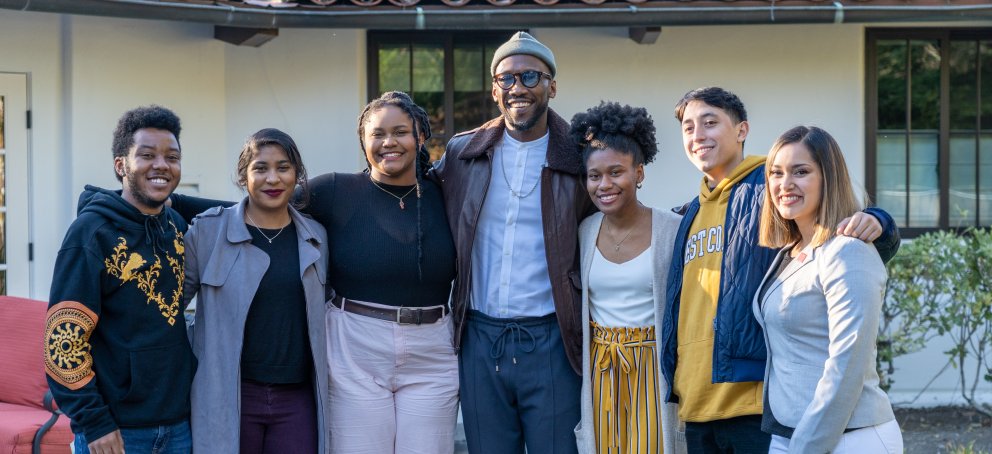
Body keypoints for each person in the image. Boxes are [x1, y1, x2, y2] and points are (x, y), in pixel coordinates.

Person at [170, 91, 458, 453]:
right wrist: (159, 201)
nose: (389, 142)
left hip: (431, 347)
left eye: (400, 132)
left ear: (420, 136)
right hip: (357, 349)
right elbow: (264, 203)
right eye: (377, 134)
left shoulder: (447, 192)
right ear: (363, 143)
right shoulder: (338, 190)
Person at [660, 87, 901, 453]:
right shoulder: (687, 213)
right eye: (689, 127)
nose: (698, 136)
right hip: (696, 405)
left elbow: (840, 220)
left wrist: (878, 220)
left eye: (710, 123)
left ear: (742, 130)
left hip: (754, 406)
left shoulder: (767, 187)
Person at [433, 31, 595, 453]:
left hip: (553, 339)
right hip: (480, 338)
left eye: (529, 77)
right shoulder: (462, 153)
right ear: (494, 90)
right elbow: (409, 195)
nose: (517, 88)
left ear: (552, 86)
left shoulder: (580, 158)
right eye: (506, 79)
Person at [44, 106, 195, 454]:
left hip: (179, 423)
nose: (162, 165)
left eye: (172, 157)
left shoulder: (175, 226)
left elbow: (233, 213)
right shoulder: (91, 234)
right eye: (147, 155)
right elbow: (63, 340)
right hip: (117, 430)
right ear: (120, 165)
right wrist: (94, 423)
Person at [754, 125, 902, 453]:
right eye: (776, 173)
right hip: (788, 433)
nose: (785, 184)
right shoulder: (787, 254)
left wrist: (806, 446)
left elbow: (847, 365)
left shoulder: (848, 251)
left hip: (849, 438)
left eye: (801, 171)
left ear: (828, 178)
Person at [182, 128, 330, 453]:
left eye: (283, 167)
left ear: (298, 175)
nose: (272, 179)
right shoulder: (207, 233)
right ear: (243, 175)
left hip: (297, 397)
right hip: (229, 395)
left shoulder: (317, 238)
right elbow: (170, 310)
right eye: (260, 168)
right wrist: (200, 346)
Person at [569, 102, 686, 454]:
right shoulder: (584, 232)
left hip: (653, 369)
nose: (604, 184)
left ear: (639, 173)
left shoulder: (673, 230)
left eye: (616, 172)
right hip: (601, 369)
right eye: (594, 176)